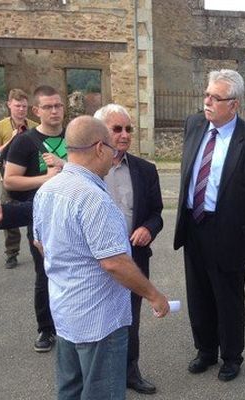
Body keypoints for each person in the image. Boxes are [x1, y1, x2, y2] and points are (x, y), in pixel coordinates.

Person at [32, 116, 169, 399]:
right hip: (100, 320)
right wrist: (154, 295)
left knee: (70, 389)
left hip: (66, 311)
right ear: (99, 148)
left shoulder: (47, 190)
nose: (113, 154)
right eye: (110, 147)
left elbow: (39, 242)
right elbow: (114, 263)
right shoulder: (94, 198)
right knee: (103, 392)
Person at [173, 69, 245, 382]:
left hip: (228, 230)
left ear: (234, 104)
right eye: (206, 95)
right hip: (193, 225)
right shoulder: (193, 125)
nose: (207, 102)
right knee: (199, 292)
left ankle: (231, 356)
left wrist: (235, 214)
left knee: (228, 297)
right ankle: (205, 350)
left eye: (215, 98)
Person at [94, 104, 163, 394]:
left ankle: (129, 372)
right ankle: (99, 377)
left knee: (130, 318)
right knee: (98, 320)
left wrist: (148, 228)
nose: (124, 135)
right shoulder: (88, 169)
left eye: (128, 129)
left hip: (133, 258)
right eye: (117, 129)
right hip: (96, 260)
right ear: (101, 134)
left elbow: (157, 213)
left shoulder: (145, 170)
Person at [4, 85, 66, 353]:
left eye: (58, 105)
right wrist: (47, 178)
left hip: (73, 215)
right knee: (45, 273)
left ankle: (68, 326)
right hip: (41, 217)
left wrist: (64, 166)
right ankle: (46, 328)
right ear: (36, 110)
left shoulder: (74, 136)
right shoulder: (24, 142)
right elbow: (10, 181)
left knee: (73, 273)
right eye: (48, 107)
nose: (54, 111)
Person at [0, 88, 38, 269]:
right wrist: (13, 140)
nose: (21, 110)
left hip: (31, 177)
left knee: (35, 214)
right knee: (9, 214)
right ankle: (12, 253)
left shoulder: (34, 126)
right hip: (9, 177)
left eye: (24, 106)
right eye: (17, 106)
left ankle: (37, 247)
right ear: (9, 105)